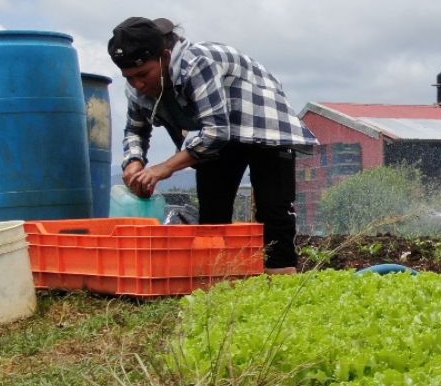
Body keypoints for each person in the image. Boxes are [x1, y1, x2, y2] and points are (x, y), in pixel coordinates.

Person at [108, 16, 317, 275]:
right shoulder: (138, 89)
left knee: (273, 206)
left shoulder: (197, 62)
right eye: (129, 77)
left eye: (143, 74)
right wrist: (134, 161)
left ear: (164, 56)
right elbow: (135, 130)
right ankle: (220, 277)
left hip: (263, 122)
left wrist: (164, 168)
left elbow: (216, 132)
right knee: (213, 210)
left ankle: (281, 278)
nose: (138, 83)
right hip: (218, 131)